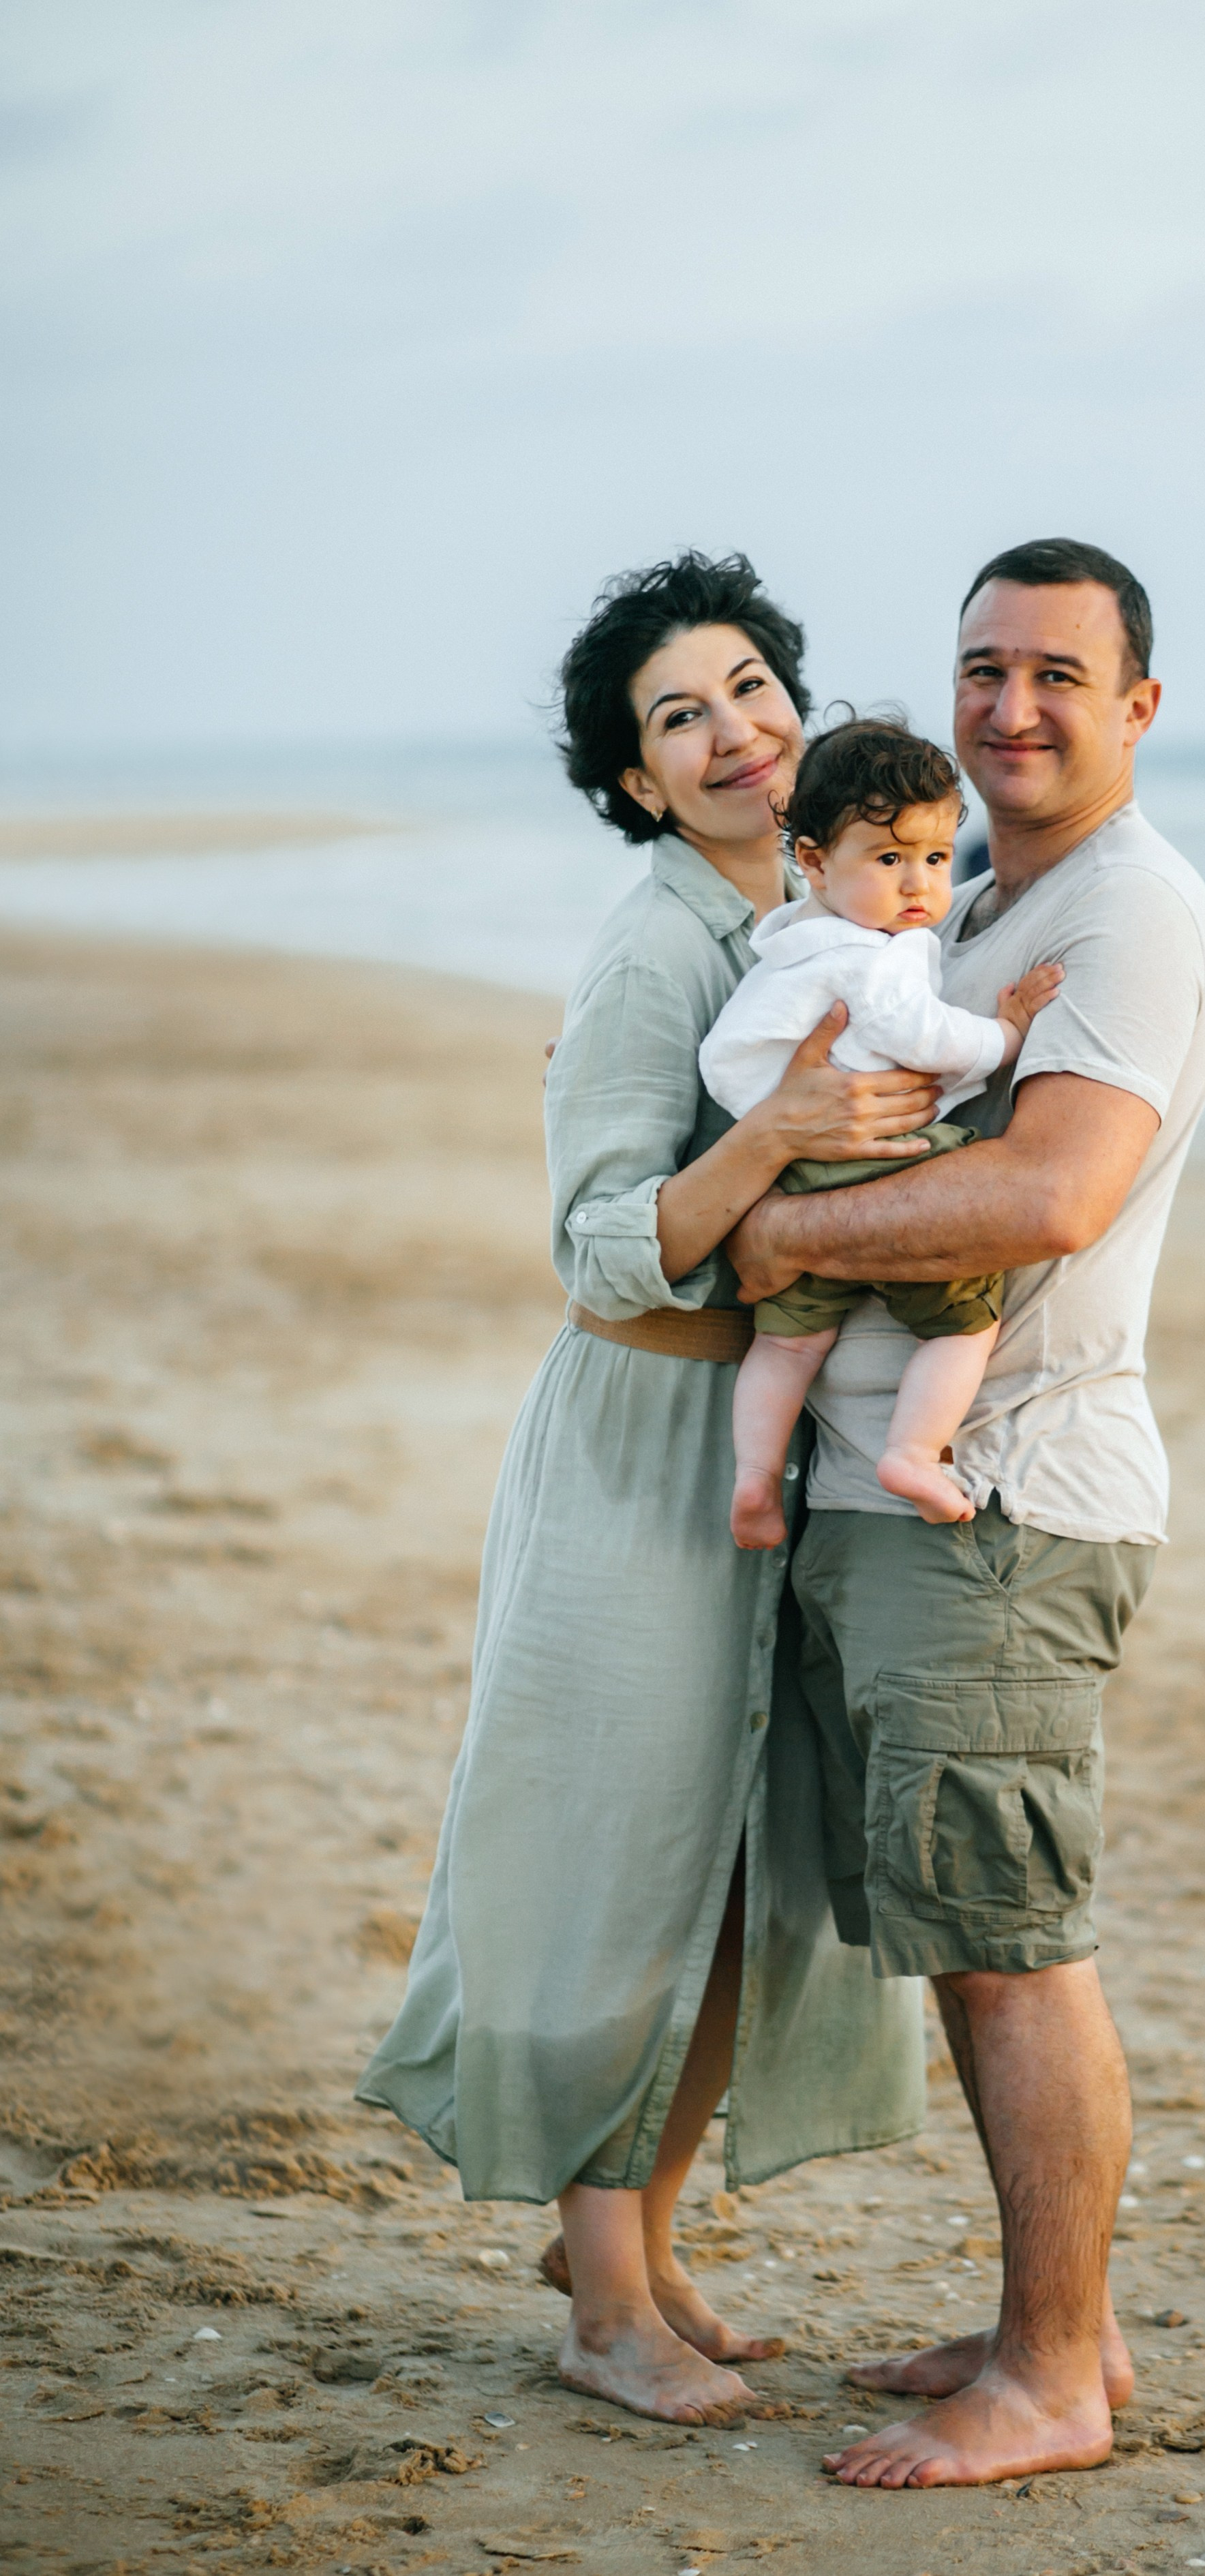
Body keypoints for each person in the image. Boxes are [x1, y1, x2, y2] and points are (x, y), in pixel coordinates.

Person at [358, 551, 932, 2429]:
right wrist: (771, 1133)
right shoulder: (656, 943)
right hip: (640, 1445)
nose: (736, 730)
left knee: (741, 1871)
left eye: (753, 685)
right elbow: (602, 1242)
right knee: (621, 1866)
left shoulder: (818, 910)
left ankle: (643, 2243)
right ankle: (602, 2307)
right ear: (633, 781)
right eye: (679, 716)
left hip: (768, 1449)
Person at [725, 537, 1205, 2488]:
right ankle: (1061, 2314)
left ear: (1139, 710)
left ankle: (1049, 2379)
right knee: (966, 1916)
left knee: (1016, 1936)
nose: (1011, 707)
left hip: (1009, 1493)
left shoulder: (1131, 914)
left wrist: (774, 1224)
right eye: (982, 668)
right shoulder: (991, 890)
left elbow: (1047, 1198)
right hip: (917, 1484)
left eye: (1058, 675)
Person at [697, 716, 1063, 1547]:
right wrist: (1003, 1036)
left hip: (802, 1171)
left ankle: (753, 1481)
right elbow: (929, 1042)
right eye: (890, 859)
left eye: (936, 859)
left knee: (789, 1346)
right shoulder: (876, 955)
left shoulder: (790, 952)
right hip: (887, 1164)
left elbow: (726, 1062)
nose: (918, 886)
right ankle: (912, 1450)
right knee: (968, 1321)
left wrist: (780, 1120)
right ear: (816, 860)